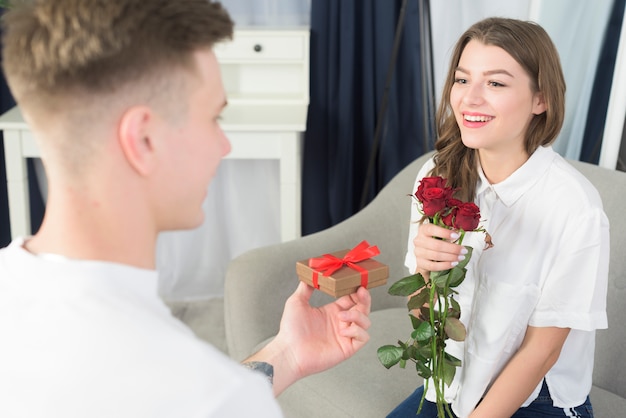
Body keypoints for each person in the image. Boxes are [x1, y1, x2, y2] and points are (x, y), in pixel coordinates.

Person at [0, 1, 371, 417]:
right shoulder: (204, 392)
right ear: (143, 141)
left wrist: (287, 353)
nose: (223, 145)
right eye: (214, 118)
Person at [388, 17, 609, 418]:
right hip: (452, 383)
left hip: (537, 399)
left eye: (495, 83)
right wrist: (424, 271)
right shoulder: (437, 178)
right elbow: (426, 319)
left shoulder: (575, 207)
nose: (469, 99)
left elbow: (542, 352)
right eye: (461, 80)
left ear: (540, 99)